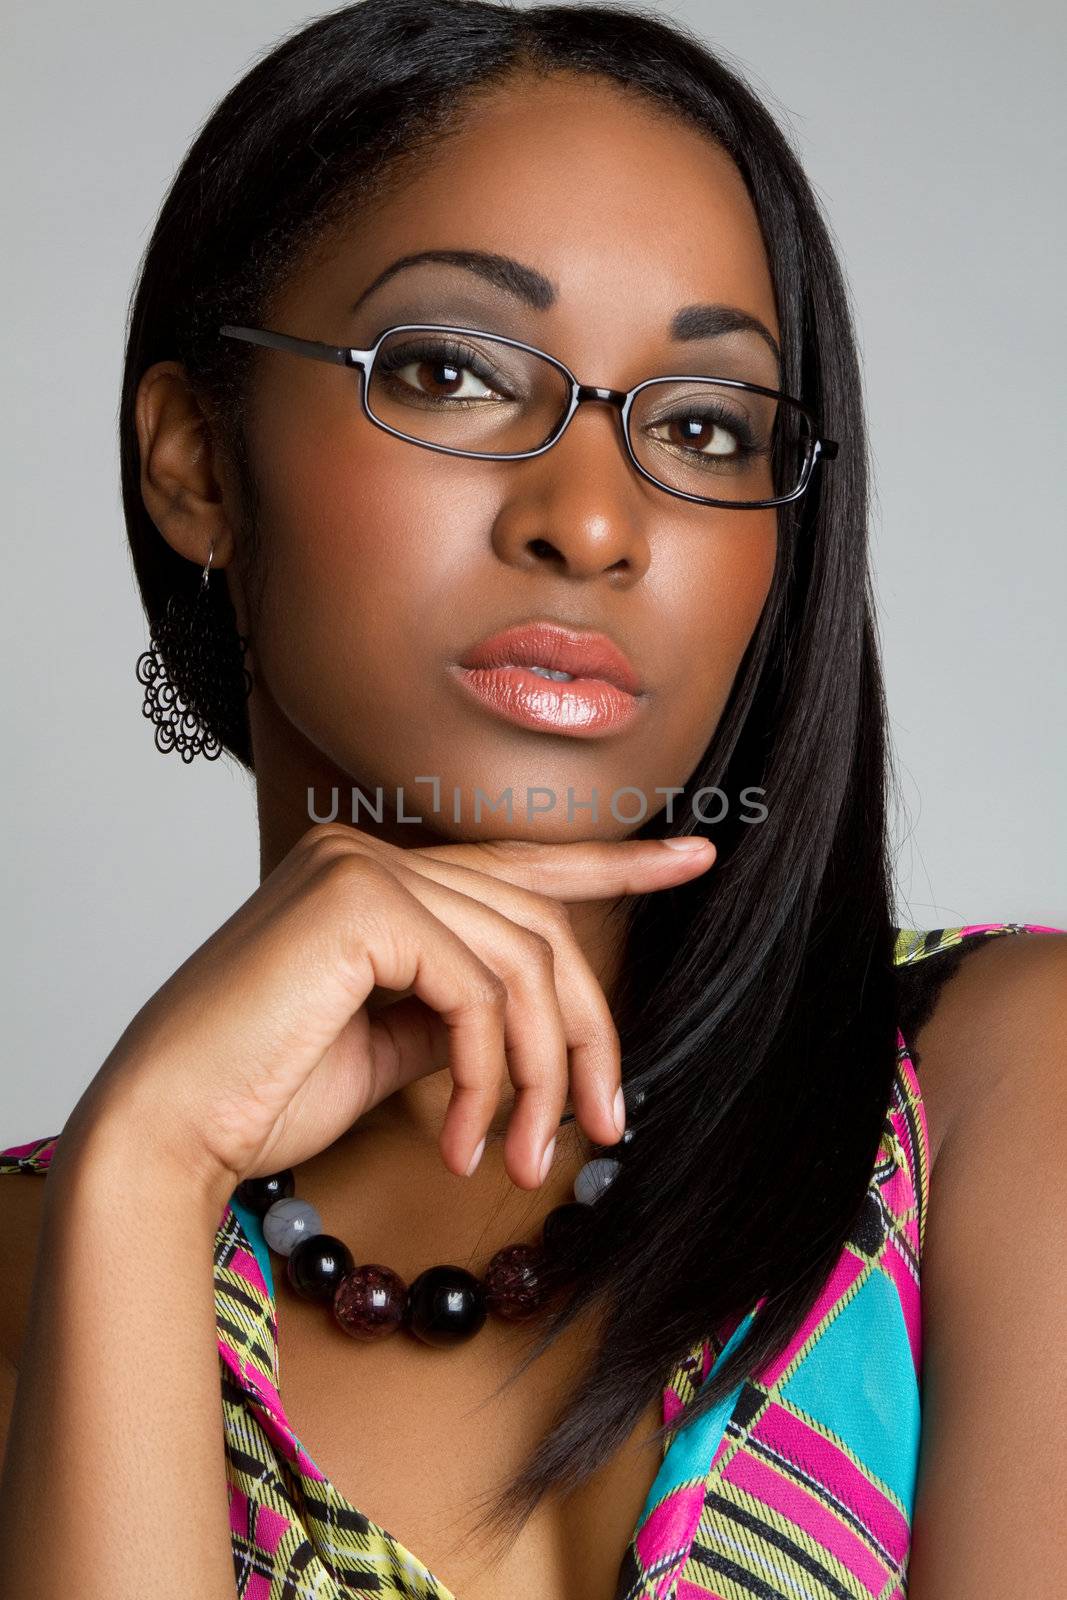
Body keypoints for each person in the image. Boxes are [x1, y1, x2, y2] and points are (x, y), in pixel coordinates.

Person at [1, 2, 1064, 1597]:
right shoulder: (50, 1263)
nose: (594, 519)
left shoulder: (998, 1093)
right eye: (451, 372)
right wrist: (148, 1168)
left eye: (705, 426)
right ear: (199, 468)